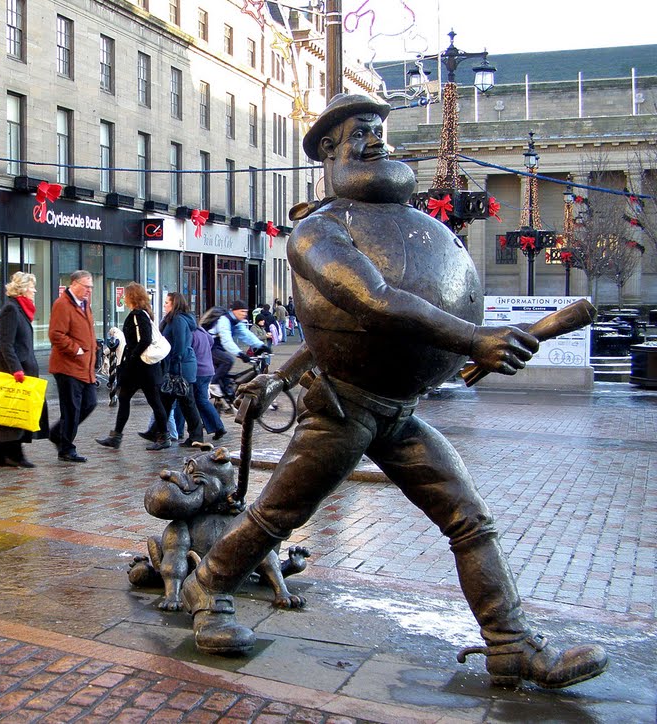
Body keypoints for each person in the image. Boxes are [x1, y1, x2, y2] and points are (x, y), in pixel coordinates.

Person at [179, 92, 608, 690]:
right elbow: (370, 301)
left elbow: (339, 327)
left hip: (399, 409)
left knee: (469, 519)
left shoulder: (405, 224)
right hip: (344, 407)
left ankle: (510, 645)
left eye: (379, 127)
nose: (377, 138)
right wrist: (474, 338)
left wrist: (467, 343)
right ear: (329, 151)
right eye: (360, 131)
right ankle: (209, 585)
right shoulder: (316, 232)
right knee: (278, 515)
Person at [96, 282, 169, 451]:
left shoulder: (138, 315)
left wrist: (132, 357)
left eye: (126, 295)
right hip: (139, 369)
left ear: (132, 297)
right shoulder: (142, 314)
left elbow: (145, 339)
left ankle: (164, 436)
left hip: (142, 368)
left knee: (154, 401)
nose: (123, 298)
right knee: (124, 398)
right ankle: (116, 436)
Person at [0, 272, 49, 468]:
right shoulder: (11, 309)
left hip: (22, 369)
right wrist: (16, 369)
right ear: (23, 288)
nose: (34, 290)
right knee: (14, 414)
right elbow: (5, 344)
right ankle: (14, 455)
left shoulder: (21, 309)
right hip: (14, 373)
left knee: (9, 414)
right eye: (32, 286)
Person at [47, 270, 97, 462]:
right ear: (74, 284)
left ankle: (57, 433)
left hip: (85, 366)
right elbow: (56, 334)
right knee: (71, 409)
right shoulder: (62, 304)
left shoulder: (85, 304)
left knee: (90, 403)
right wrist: (76, 350)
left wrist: (93, 348)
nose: (89, 291)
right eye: (86, 286)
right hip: (67, 366)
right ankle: (66, 448)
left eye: (91, 287)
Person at [157, 292, 205, 447]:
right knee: (169, 401)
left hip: (180, 368)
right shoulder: (173, 319)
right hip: (178, 366)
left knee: (185, 402)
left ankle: (194, 436)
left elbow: (179, 345)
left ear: (174, 304)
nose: (164, 305)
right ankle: (159, 433)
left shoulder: (178, 320)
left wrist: (173, 364)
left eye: (166, 302)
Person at [209, 300, 266, 399]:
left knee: (226, 383)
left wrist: (261, 346)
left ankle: (226, 402)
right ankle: (212, 385)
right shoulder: (224, 320)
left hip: (218, 347)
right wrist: (240, 353)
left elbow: (246, 335)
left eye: (246, 312)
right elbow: (226, 340)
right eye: (242, 311)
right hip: (209, 347)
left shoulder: (237, 321)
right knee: (228, 360)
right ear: (234, 311)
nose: (244, 314)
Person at [190, 322, 227, 441]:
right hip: (208, 369)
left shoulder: (191, 333)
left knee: (200, 400)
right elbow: (211, 341)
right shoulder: (202, 331)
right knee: (200, 400)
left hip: (199, 370)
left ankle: (218, 426)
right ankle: (215, 426)